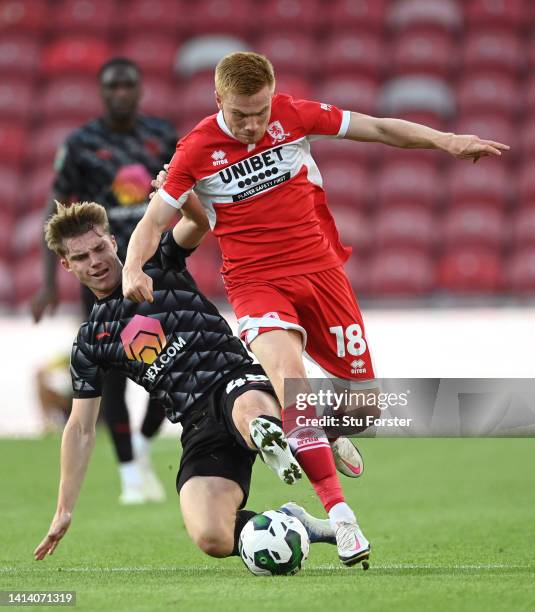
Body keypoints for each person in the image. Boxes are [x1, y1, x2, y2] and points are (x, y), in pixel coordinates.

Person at [122, 52, 510, 566]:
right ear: (218, 101)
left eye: (259, 111)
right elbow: (152, 223)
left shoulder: (294, 115)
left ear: (272, 97)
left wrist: (447, 141)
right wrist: (132, 267)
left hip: (321, 273)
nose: (253, 124)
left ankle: (317, 434)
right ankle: (342, 521)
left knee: (365, 408)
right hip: (255, 282)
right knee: (290, 379)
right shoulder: (196, 149)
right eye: (240, 114)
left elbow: (377, 128)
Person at [34, 200, 341, 563]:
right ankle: (297, 521)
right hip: (197, 425)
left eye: (99, 248)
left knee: (250, 416)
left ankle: (275, 433)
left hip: (237, 381)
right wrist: (63, 509)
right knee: (212, 536)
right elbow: (81, 429)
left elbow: (198, 220)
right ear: (67, 266)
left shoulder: (157, 261)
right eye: (82, 257)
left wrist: (181, 194)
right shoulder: (91, 340)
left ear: (114, 241)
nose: (96, 261)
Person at [31, 57, 182, 504]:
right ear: (102, 92)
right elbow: (54, 210)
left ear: (139, 90)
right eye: (112, 86)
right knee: (111, 369)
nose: (120, 93)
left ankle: (142, 443)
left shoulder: (161, 136)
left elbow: (185, 192)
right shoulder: (81, 144)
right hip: (102, 270)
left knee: (171, 362)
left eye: (127, 86)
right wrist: (48, 281)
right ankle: (131, 475)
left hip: (158, 265)